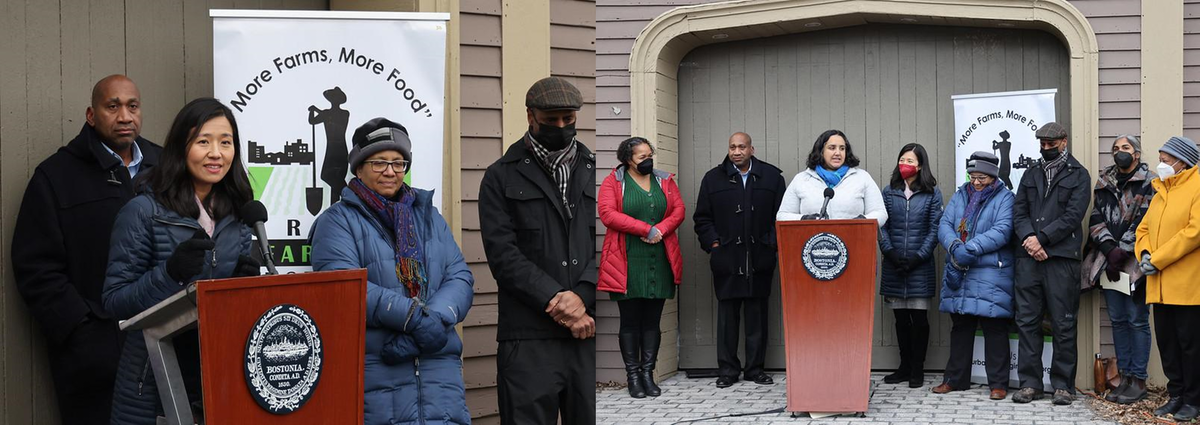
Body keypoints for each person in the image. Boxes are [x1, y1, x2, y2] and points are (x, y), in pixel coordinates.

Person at [10, 75, 162, 425]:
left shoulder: (167, 168)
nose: (125, 116)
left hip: (164, 345)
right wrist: (85, 332)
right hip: (96, 362)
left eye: (132, 106)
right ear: (91, 115)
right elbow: (36, 268)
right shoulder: (56, 176)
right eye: (113, 107)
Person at [102, 98, 258, 424]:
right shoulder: (143, 212)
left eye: (225, 143)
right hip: (156, 383)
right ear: (180, 147)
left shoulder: (240, 216)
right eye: (204, 142)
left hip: (221, 381)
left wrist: (244, 289)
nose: (216, 153)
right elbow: (115, 302)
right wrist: (170, 274)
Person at [311, 117, 474, 424]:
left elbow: (459, 277)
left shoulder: (429, 217)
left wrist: (429, 326)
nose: (390, 171)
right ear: (358, 168)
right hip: (376, 371)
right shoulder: (337, 222)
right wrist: (413, 318)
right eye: (379, 162)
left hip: (439, 372)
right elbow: (346, 289)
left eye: (398, 162)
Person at [478, 76, 596, 424]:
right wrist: (558, 300)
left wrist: (583, 296)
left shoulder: (598, 170)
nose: (561, 126)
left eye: (568, 119)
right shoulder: (499, 177)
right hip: (527, 336)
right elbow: (502, 254)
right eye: (551, 119)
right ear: (531, 116)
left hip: (588, 330)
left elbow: (610, 244)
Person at [694, 132, 787, 388]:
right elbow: (702, 218)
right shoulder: (713, 179)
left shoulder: (771, 177)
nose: (736, 151)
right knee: (727, 319)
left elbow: (783, 215)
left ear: (751, 149)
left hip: (760, 257)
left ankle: (755, 369)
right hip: (727, 257)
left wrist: (771, 242)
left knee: (757, 316)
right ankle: (728, 370)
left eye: (742, 147)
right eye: (733, 147)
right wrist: (714, 244)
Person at [1011, 121, 1092, 405]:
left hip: (1061, 260)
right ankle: (1030, 384)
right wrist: (1030, 239)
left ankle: (1062, 386)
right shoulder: (1031, 173)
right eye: (1042, 144)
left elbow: (1073, 215)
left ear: (1064, 141)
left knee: (1063, 323)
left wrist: (1042, 239)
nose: (1046, 148)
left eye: (1051, 144)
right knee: (1027, 322)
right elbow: (1018, 211)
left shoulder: (1079, 175)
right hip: (1029, 259)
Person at [598, 137, 685, 398]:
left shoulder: (665, 180)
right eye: (641, 157)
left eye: (650, 155)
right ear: (627, 159)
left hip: (659, 257)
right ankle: (633, 376)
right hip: (626, 260)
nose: (647, 160)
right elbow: (608, 214)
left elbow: (678, 210)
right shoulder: (614, 182)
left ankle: (648, 374)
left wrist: (660, 229)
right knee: (630, 321)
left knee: (652, 321)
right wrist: (645, 229)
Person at [930, 152, 1015, 401]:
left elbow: (1003, 230)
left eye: (983, 177)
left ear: (993, 176)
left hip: (991, 270)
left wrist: (971, 248)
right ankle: (954, 379)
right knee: (961, 326)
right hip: (960, 266)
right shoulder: (961, 194)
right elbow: (944, 224)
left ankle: (998, 383)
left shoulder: (1005, 198)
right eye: (973, 176)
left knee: (994, 326)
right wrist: (955, 245)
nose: (976, 182)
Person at [1081, 135, 1155, 405]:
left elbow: (1147, 221)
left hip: (1134, 261)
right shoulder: (1103, 182)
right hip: (1107, 259)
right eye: (1115, 149)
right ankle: (1123, 376)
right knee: (1118, 320)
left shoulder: (1150, 183)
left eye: (1125, 148)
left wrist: (1121, 250)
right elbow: (1096, 217)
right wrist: (1108, 249)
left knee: (1137, 319)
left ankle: (1138, 379)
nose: (1119, 152)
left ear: (1136, 154)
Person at [1135, 136, 1200, 421]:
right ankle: (1176, 396)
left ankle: (1194, 400)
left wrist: (1157, 260)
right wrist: (1145, 252)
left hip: (1188, 286)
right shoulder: (1161, 190)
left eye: (1165, 158)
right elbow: (1143, 229)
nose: (1160, 163)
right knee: (1169, 345)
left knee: (1191, 345)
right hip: (1159, 287)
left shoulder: (1196, 186)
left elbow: (1193, 232)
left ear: (1181, 161)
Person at [877, 143, 943, 389]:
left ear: (921, 165)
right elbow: (881, 224)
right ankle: (904, 367)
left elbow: (935, 228)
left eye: (910, 161)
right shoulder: (888, 191)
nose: (905, 164)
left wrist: (918, 257)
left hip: (919, 266)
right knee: (900, 320)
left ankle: (918, 368)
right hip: (894, 265)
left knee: (919, 320)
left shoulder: (932, 193)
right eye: (902, 159)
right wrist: (890, 252)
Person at [777, 129, 887, 225]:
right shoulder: (801, 180)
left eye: (842, 148)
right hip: (813, 244)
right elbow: (782, 215)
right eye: (832, 148)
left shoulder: (862, 177)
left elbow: (880, 213)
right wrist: (803, 219)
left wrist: (862, 221)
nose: (838, 153)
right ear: (821, 151)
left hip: (854, 242)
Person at [308, 86, 351, 204]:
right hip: (333, 149)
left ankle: (349, 194)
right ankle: (335, 207)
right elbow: (312, 121)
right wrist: (313, 111)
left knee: (328, 176)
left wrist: (314, 109)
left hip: (338, 149)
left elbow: (326, 117)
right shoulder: (330, 113)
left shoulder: (343, 113)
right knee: (333, 179)